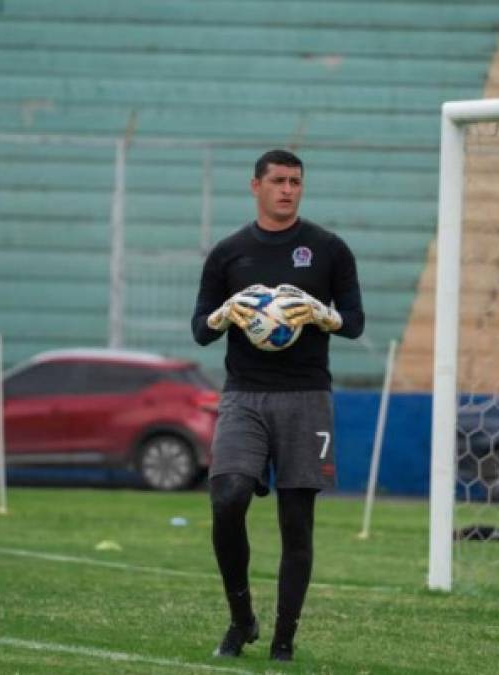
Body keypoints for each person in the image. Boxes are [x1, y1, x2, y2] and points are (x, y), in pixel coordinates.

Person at [191, 149, 364, 661]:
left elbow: (354, 322)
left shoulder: (329, 249)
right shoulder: (229, 253)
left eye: (296, 182)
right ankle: (241, 619)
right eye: (278, 181)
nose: (288, 189)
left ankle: (284, 640)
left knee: (296, 522)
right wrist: (225, 313)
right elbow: (200, 331)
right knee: (227, 498)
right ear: (256, 186)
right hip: (244, 395)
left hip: (307, 397)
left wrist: (322, 314)